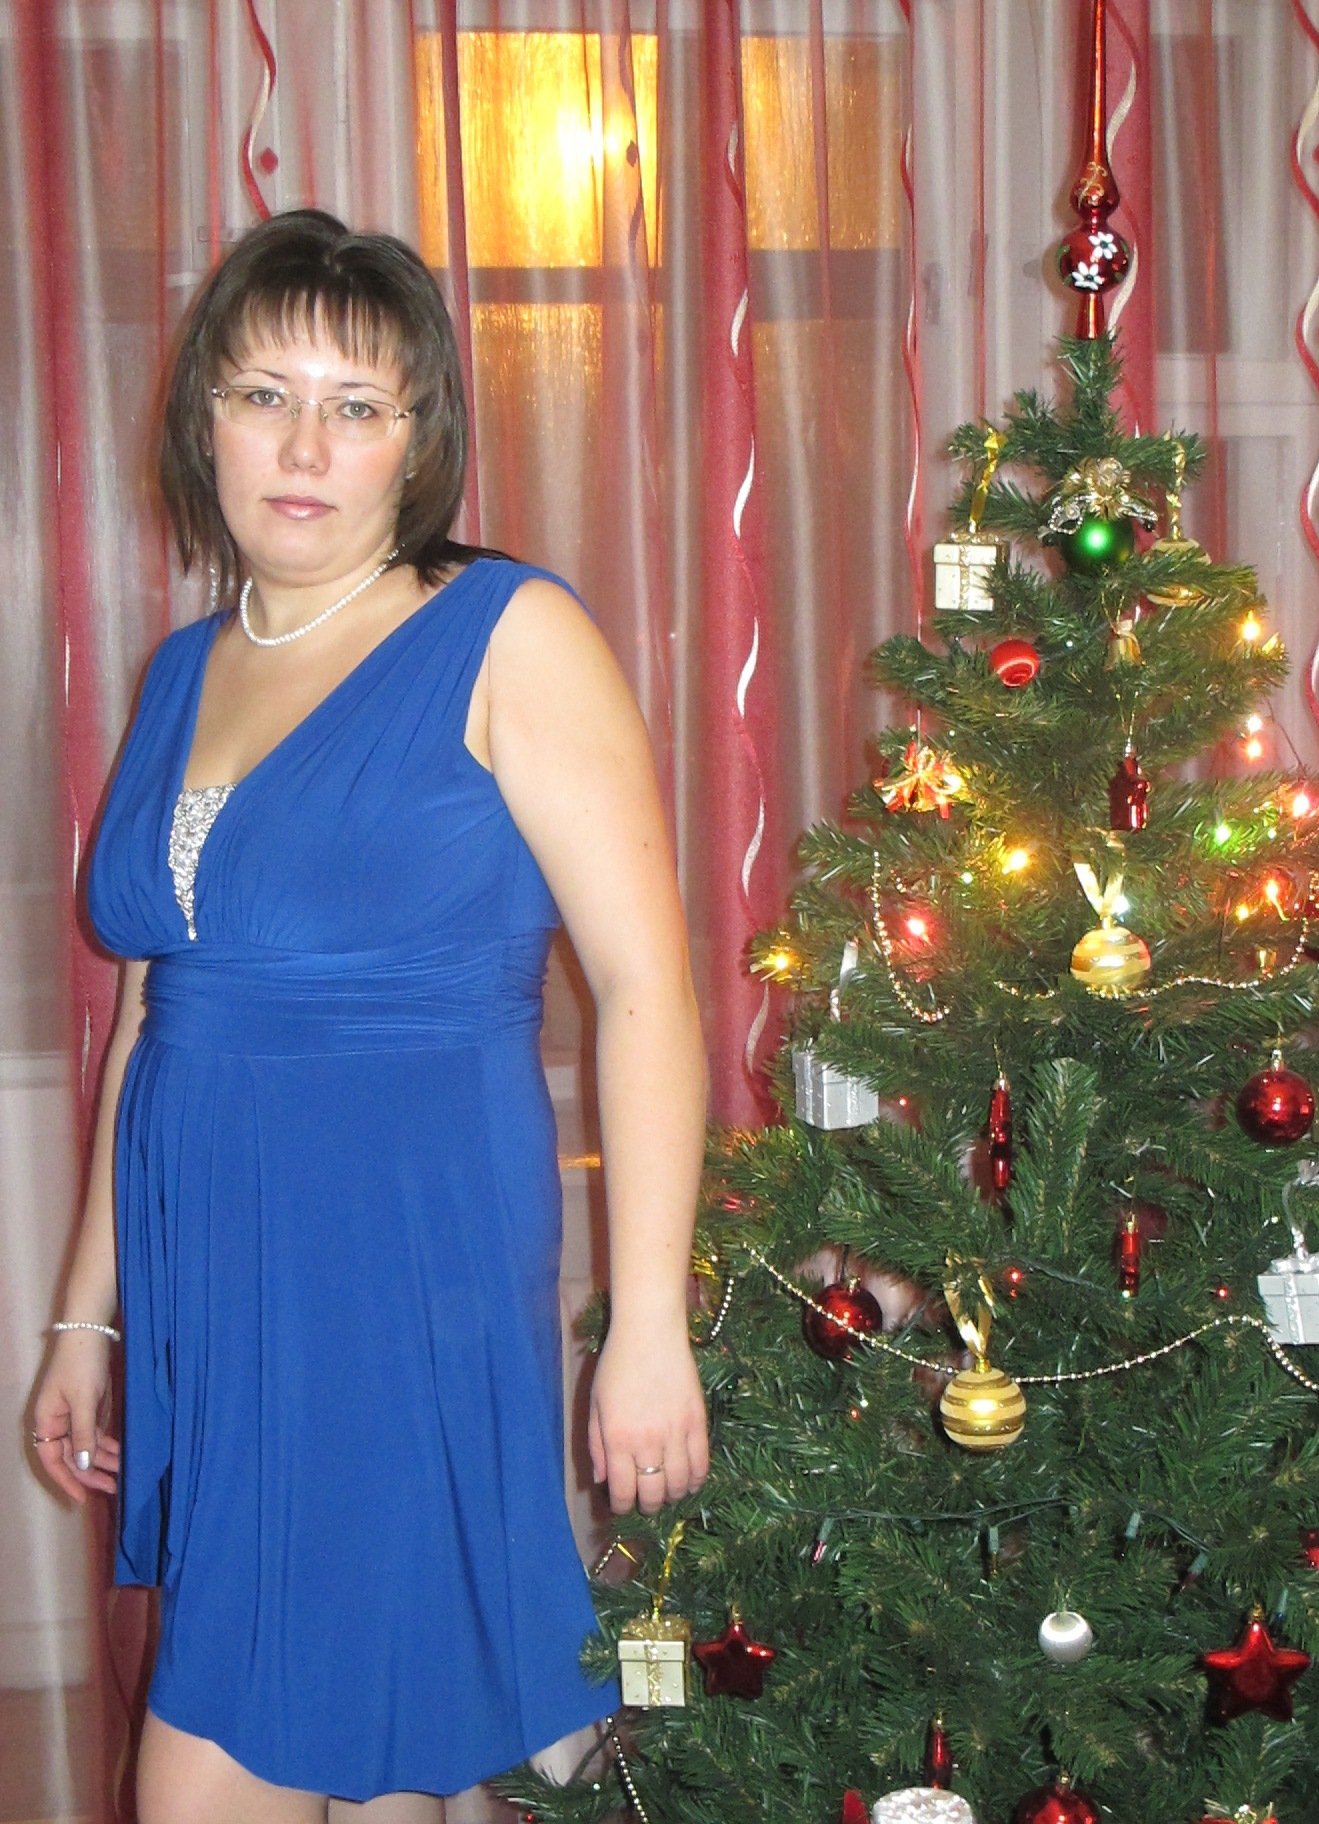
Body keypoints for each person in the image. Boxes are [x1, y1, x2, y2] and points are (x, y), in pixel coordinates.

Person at [30, 209, 709, 1824]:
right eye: (263, 395)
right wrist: (85, 1318)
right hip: (217, 1283)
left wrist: (648, 1328)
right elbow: (158, 1009)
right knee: (382, 1751)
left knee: (231, 1753)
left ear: (420, 439)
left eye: (356, 405)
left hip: (399, 1267)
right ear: (202, 418)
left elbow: (645, 990)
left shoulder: (507, 632)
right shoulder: (182, 670)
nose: (302, 446)